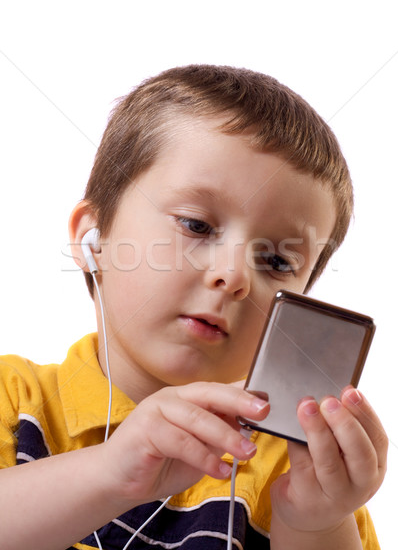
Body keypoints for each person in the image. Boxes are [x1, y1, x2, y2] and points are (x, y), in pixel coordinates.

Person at [0, 65, 387, 549]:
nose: (236, 276)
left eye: (275, 260)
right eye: (197, 226)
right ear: (94, 240)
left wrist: (316, 525)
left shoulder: (298, 478)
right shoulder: (14, 399)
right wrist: (109, 471)